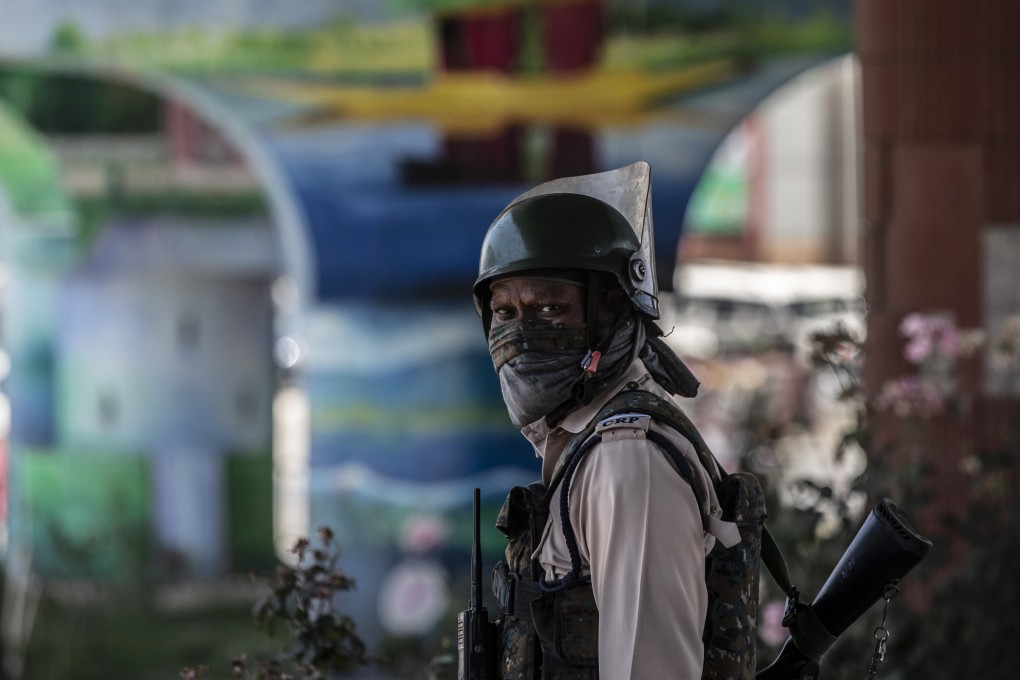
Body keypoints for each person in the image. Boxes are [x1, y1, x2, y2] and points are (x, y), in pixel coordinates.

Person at [474, 162, 739, 679]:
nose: (522, 334)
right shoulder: (579, 445)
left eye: (549, 309)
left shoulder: (627, 460)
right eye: (505, 313)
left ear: (611, 310)